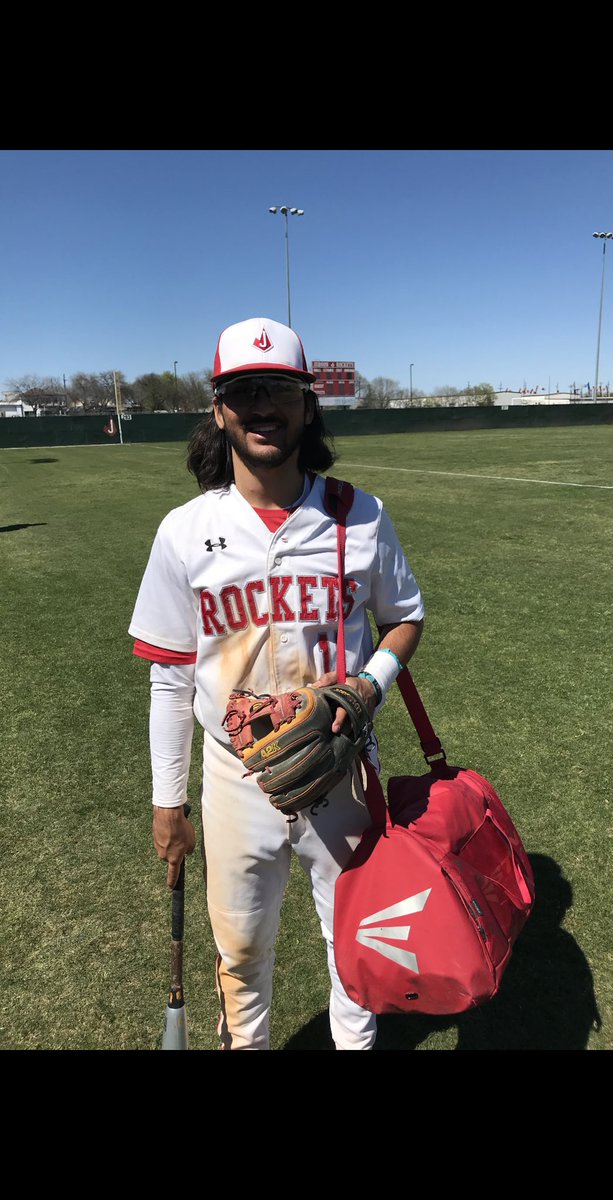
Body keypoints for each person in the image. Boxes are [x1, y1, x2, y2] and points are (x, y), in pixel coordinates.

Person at [129, 316, 424, 1050]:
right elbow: (169, 677)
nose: (264, 406)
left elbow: (405, 618)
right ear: (220, 408)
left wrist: (368, 687)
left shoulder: (357, 514)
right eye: (245, 391)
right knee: (239, 956)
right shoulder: (185, 530)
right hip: (236, 780)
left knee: (357, 946)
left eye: (280, 391)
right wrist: (170, 801)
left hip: (343, 770)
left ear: (307, 405)